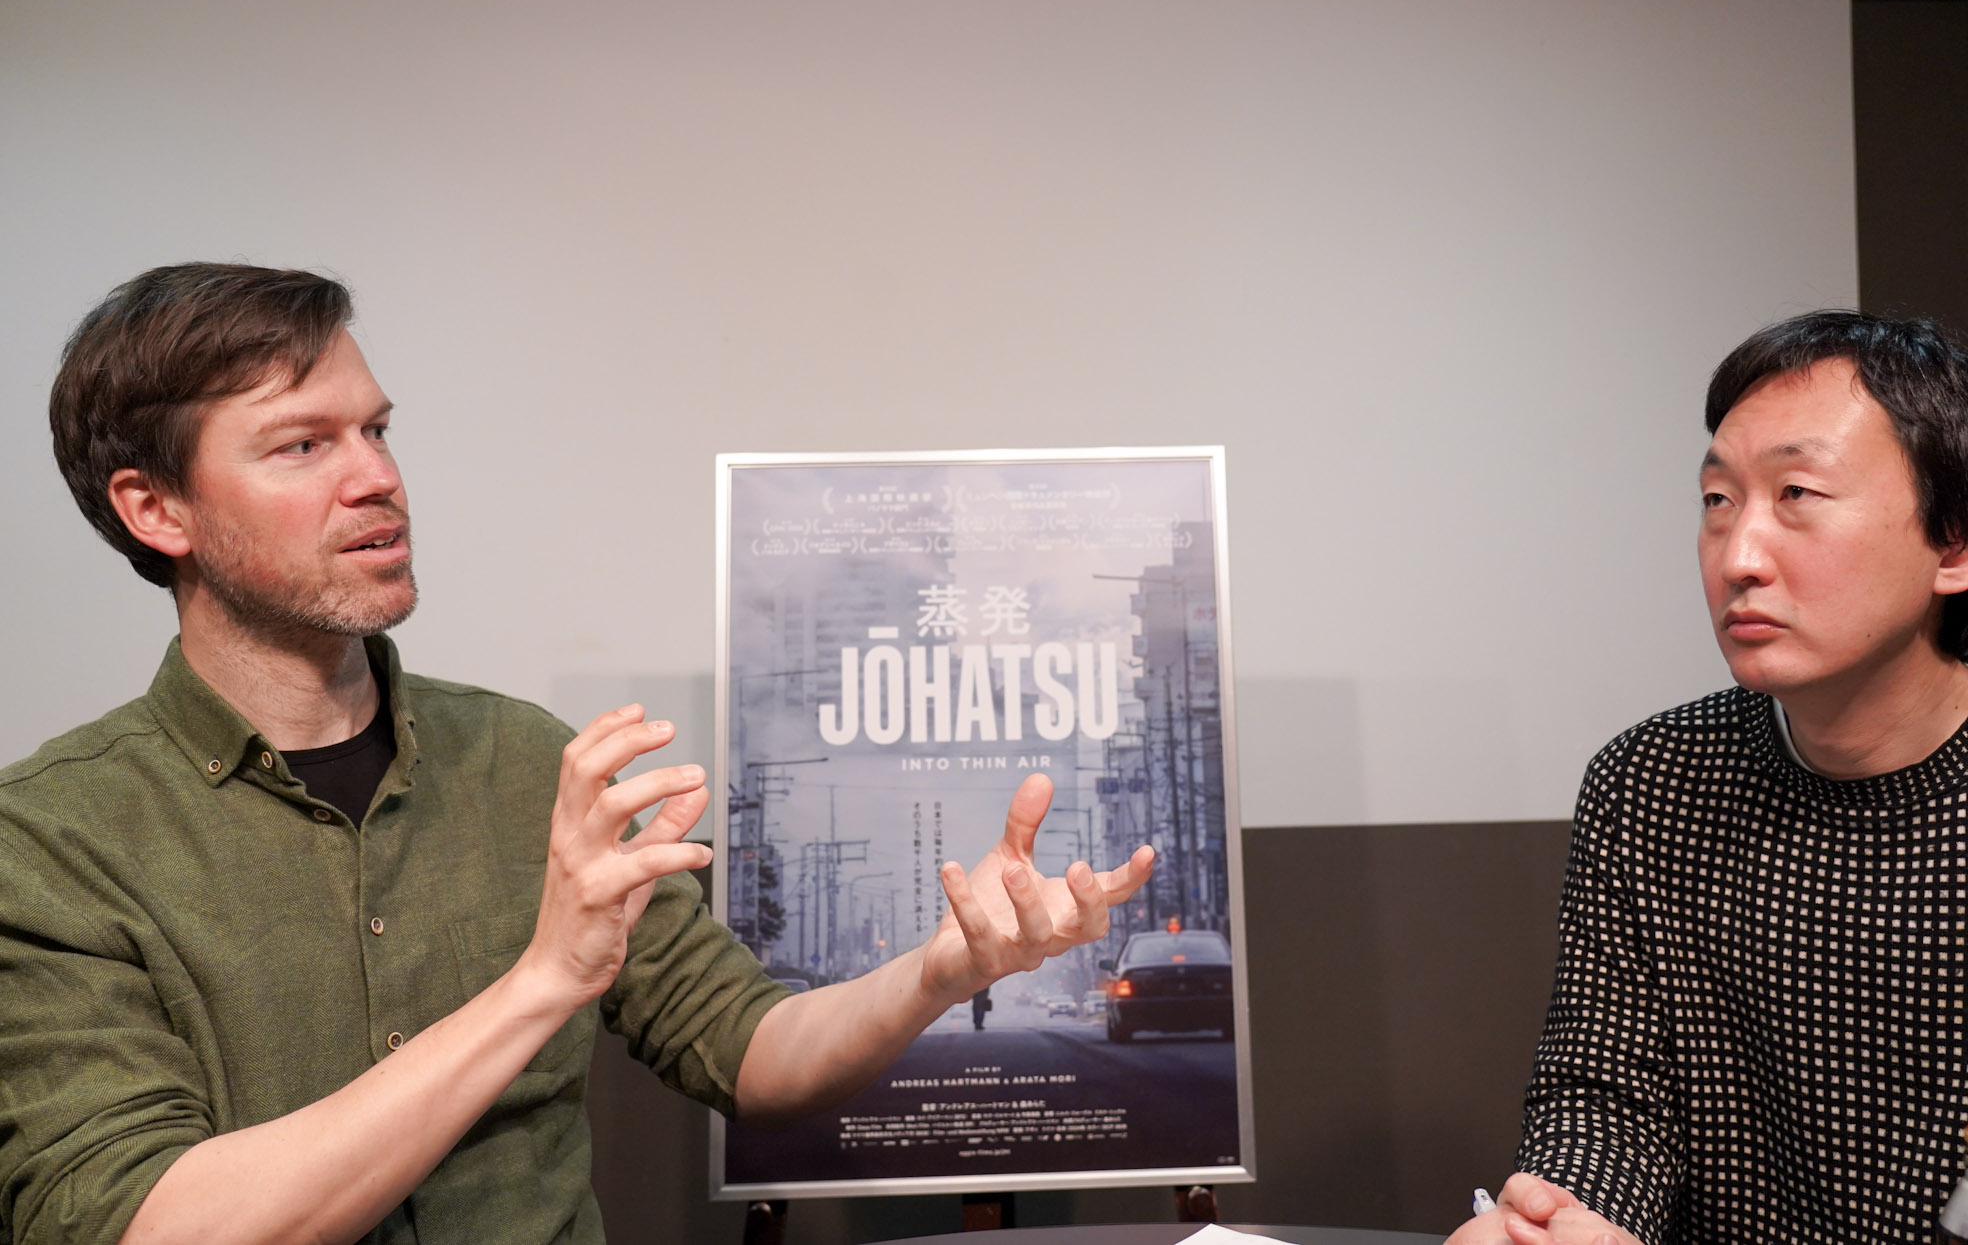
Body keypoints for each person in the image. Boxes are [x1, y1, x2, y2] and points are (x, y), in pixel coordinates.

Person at [0, 263, 1154, 1245]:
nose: (375, 478)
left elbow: (749, 1052)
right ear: (157, 511)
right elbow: (148, 1224)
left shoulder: (516, 761)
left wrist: (940, 972)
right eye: (302, 445)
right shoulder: (52, 843)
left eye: (375, 430)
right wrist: (543, 980)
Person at [1452, 311, 1968, 1245]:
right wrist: (1566, 1215)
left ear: (1961, 540)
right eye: (1718, 499)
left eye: (1797, 493)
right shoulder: (1651, 781)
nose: (1739, 556)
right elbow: (1605, 1093)